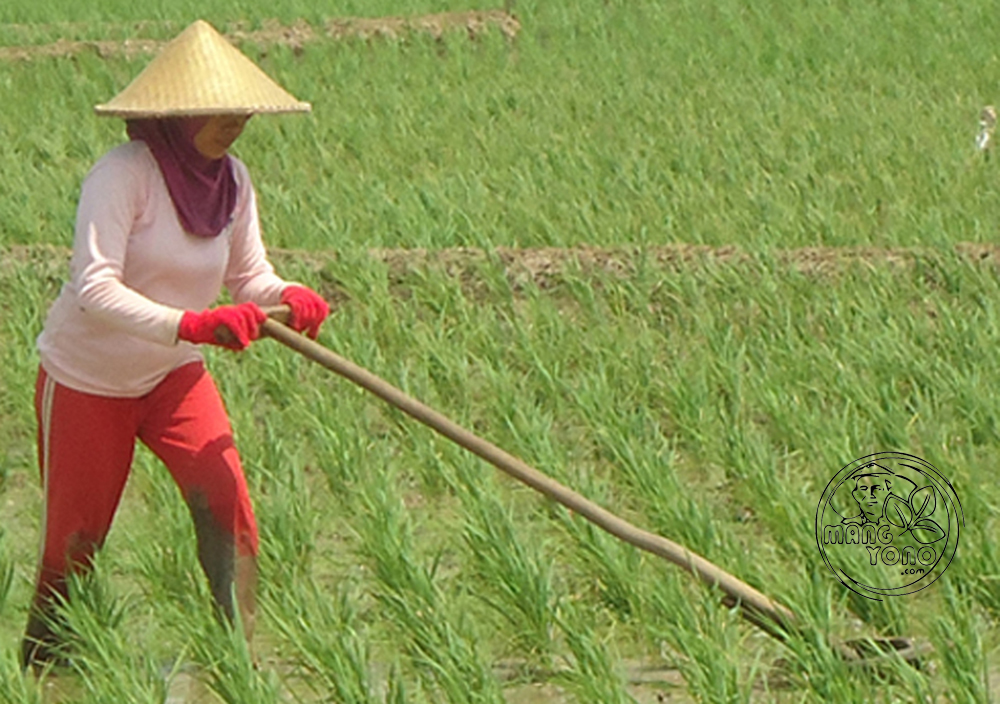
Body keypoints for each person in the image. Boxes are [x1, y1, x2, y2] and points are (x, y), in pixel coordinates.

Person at [21, 19, 328, 670]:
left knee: (226, 502)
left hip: (169, 375)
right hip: (88, 379)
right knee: (73, 543)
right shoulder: (124, 174)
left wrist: (291, 296)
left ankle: (236, 663)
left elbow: (250, 276)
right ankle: (44, 674)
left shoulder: (233, 181)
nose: (236, 120)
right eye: (219, 109)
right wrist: (189, 324)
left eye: (242, 109)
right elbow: (92, 285)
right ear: (178, 112)